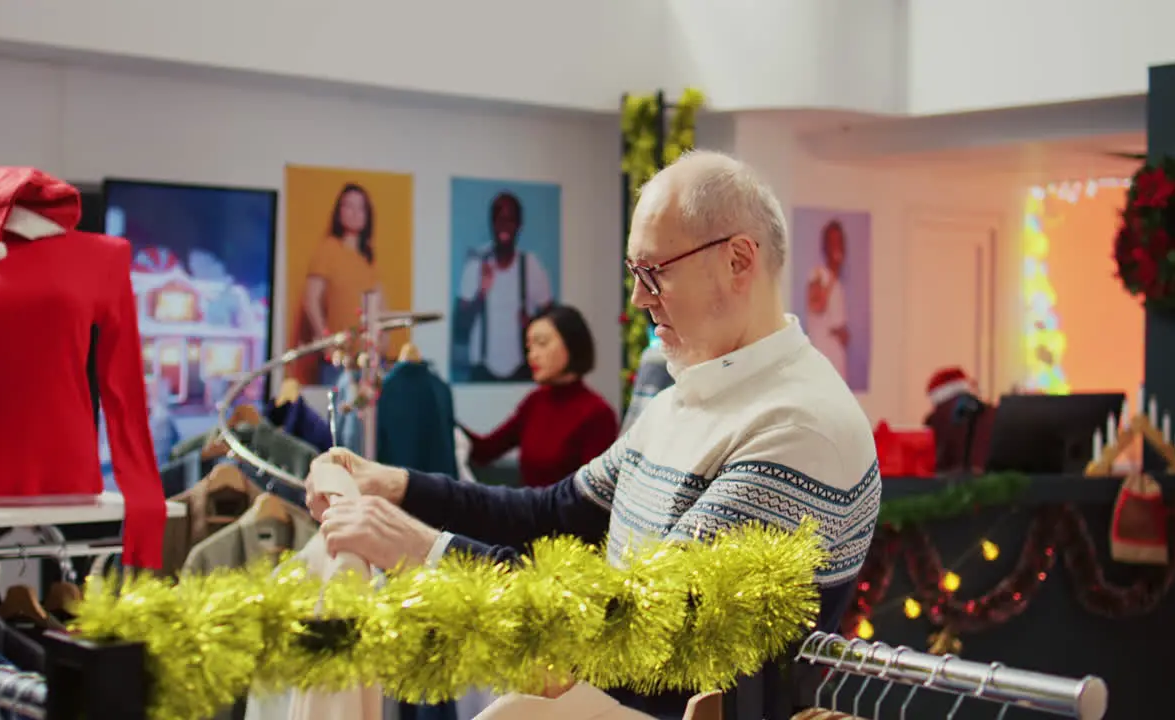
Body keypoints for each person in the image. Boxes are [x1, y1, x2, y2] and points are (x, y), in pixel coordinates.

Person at [310, 151, 880, 719]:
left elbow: (633, 624)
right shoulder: (687, 397)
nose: (638, 298)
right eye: (635, 274)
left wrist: (419, 547)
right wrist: (397, 486)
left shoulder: (797, 428)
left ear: (738, 260)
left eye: (655, 271)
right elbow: (556, 513)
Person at [464, 304, 618, 488]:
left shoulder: (598, 414)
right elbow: (484, 452)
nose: (532, 356)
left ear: (572, 344)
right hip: (527, 514)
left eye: (542, 343)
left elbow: (594, 495)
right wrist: (440, 411)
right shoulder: (535, 402)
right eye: (529, 347)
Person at [453, 191, 554, 382]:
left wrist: (533, 322)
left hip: (523, 371)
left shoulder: (531, 265)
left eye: (510, 219)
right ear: (492, 223)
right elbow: (459, 328)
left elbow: (552, 317)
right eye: (499, 219)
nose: (504, 225)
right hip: (482, 372)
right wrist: (481, 293)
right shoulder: (476, 265)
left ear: (519, 225)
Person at [292, 183, 380, 387]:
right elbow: (310, 299)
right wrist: (327, 343)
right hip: (338, 360)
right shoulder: (328, 249)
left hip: (367, 360)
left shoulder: (367, 260)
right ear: (339, 212)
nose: (354, 212)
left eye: (360, 208)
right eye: (348, 206)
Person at [804, 220, 850, 383]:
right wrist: (834, 272)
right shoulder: (817, 274)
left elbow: (836, 321)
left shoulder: (837, 282)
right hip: (822, 352)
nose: (836, 247)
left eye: (839, 242)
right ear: (825, 246)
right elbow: (817, 305)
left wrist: (843, 334)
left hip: (837, 355)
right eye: (832, 242)